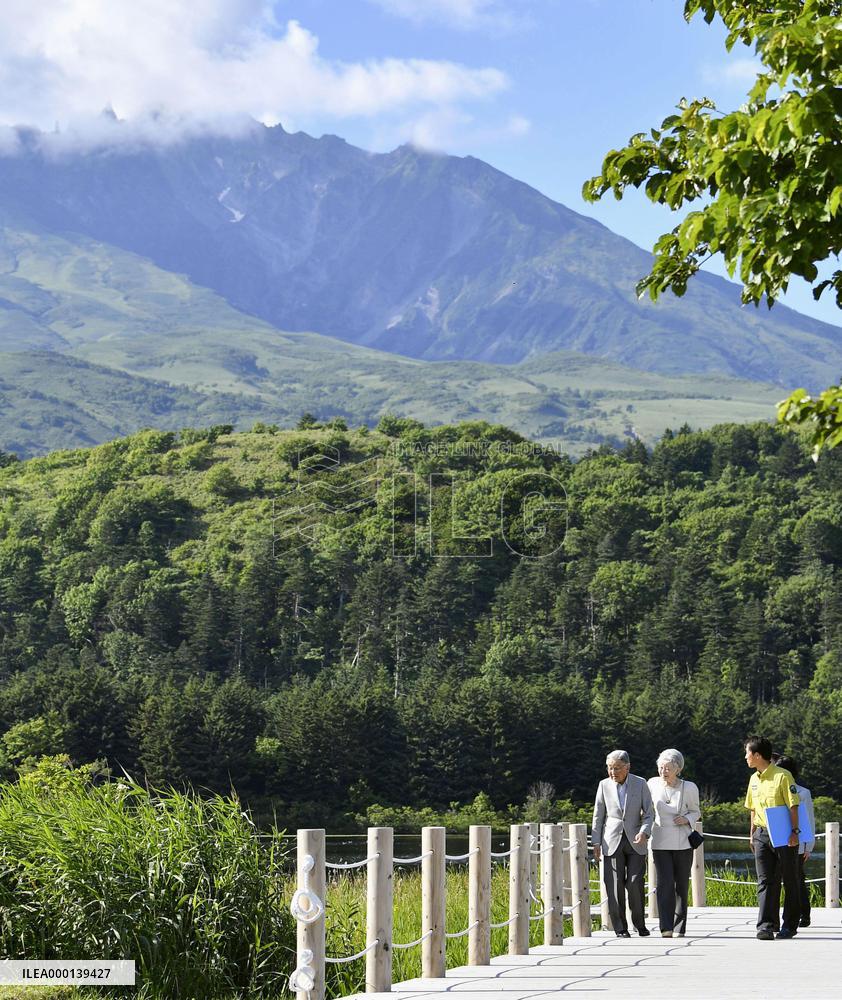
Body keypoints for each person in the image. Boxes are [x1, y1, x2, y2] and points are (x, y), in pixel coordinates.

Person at [592, 749, 654, 938]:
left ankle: (639, 924)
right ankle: (620, 928)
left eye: (617, 768)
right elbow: (598, 815)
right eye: (610, 768)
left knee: (635, 883)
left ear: (627, 767)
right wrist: (595, 842)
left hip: (636, 841)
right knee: (614, 885)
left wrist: (644, 832)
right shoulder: (603, 785)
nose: (613, 772)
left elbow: (650, 813)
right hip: (611, 840)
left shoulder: (640, 783)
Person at [744, 735, 801, 939]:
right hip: (761, 834)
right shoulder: (753, 779)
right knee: (765, 880)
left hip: (784, 835)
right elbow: (752, 808)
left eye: (747, 753)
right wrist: (752, 834)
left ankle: (790, 925)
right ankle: (765, 926)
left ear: (758, 755)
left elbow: (793, 806)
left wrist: (794, 832)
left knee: (789, 879)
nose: (745, 757)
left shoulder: (783, 776)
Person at [647, 748, 701, 938]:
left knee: (681, 886)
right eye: (661, 767)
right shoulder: (652, 784)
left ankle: (679, 927)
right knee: (664, 884)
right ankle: (666, 927)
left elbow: (696, 811)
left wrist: (687, 819)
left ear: (678, 769)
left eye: (668, 768)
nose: (664, 771)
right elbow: (646, 810)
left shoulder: (690, 787)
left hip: (683, 843)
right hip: (660, 841)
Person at [774, 755, 815, 928]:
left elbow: (809, 821)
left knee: (798, 880)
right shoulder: (774, 791)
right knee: (783, 880)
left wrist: (808, 847)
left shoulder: (803, 793)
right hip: (777, 842)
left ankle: (804, 915)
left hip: (798, 843)